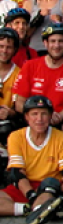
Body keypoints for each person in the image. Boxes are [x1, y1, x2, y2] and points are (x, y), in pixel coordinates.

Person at [13, 23, 63, 164]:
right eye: (53, 41)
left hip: (60, 119)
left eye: (61, 41)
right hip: (35, 118)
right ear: (45, 43)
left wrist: (58, 115)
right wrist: (40, 115)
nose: (57, 45)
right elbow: (19, 103)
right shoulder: (30, 65)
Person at [0, 96, 63, 224]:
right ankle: (31, 209)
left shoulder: (61, 137)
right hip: (26, 187)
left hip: (49, 186)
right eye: (34, 114)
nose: (39, 119)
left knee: (49, 186)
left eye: (44, 114)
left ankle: (46, 207)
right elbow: (17, 173)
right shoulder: (16, 137)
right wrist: (31, 196)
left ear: (50, 116)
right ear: (26, 117)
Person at [0, 28, 21, 181]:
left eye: (9, 47)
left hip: (8, 121)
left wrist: (9, 112)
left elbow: (19, 107)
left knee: (5, 126)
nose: (4, 50)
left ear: (14, 50)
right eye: (1, 46)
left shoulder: (19, 73)